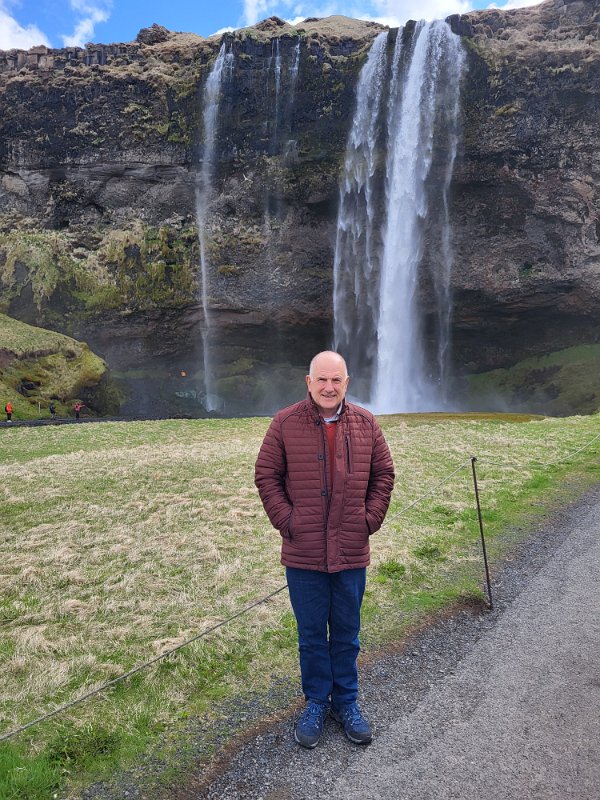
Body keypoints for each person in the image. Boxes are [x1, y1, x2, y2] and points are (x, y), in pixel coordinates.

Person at [255, 351, 395, 749]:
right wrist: (289, 522)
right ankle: (317, 701)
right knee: (312, 634)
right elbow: (266, 476)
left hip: (351, 549)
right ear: (308, 381)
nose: (329, 387)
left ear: (346, 383)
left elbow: (384, 474)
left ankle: (346, 702)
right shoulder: (283, 423)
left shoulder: (367, 423)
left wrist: (369, 520)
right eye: (322, 380)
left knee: (348, 633)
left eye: (336, 380)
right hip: (304, 553)